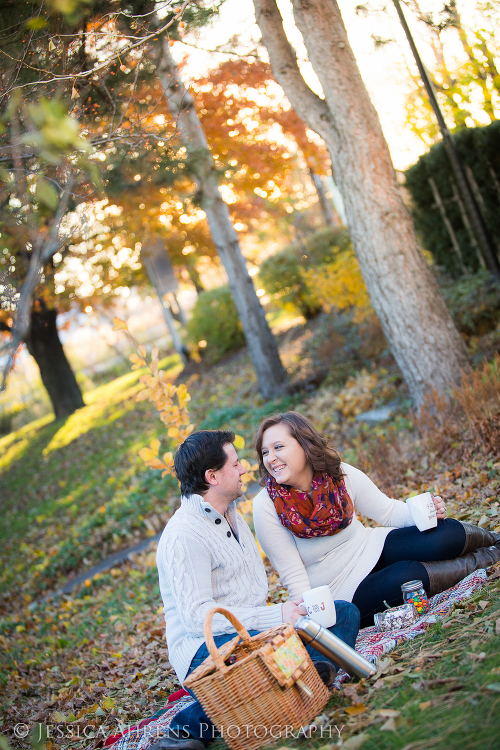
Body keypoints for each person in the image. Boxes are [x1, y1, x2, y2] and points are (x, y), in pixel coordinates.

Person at [152, 429, 361, 750]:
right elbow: (197, 619)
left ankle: (286, 683)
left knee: (343, 612)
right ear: (212, 476)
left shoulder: (232, 516)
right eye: (235, 465)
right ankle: (186, 727)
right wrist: (275, 617)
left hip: (253, 637)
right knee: (266, 661)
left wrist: (287, 617)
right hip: (204, 651)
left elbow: (250, 597)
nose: (244, 468)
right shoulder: (183, 535)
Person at [253, 412, 500, 629]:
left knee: (444, 535)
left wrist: (425, 513)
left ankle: (495, 540)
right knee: (409, 577)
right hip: (340, 589)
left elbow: (389, 512)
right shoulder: (266, 505)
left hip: (370, 547)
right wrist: (320, 619)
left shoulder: (337, 475)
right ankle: (488, 559)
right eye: (265, 452)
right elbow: (295, 579)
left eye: (278, 447)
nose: (270, 458)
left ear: (304, 444)